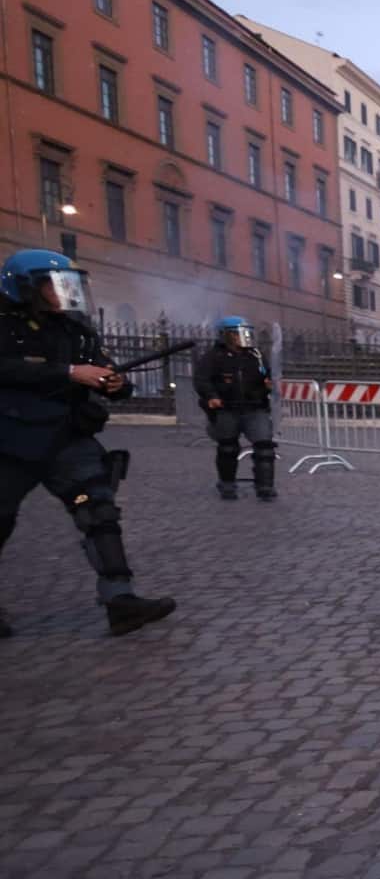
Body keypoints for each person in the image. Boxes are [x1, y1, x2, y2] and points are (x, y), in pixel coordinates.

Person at [0, 249, 176, 638]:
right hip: (10, 439)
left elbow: (104, 371)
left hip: (67, 436)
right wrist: (67, 372)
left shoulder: (77, 331)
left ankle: (120, 600)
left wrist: (115, 383)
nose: (65, 293)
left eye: (69, 285)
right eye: (55, 285)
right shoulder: (4, 327)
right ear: (27, 287)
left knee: (99, 512)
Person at [194, 316, 277, 501]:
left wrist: (269, 384)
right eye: (238, 334)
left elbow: (267, 375)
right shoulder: (213, 357)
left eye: (246, 333)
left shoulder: (256, 355)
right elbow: (202, 380)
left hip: (255, 407)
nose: (244, 337)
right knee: (228, 448)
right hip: (227, 407)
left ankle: (265, 487)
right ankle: (227, 484)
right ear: (226, 335)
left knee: (265, 447)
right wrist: (212, 396)